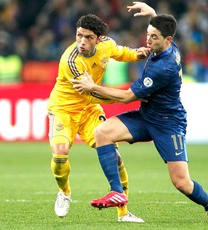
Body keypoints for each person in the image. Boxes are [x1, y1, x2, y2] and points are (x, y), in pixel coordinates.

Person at [71, 2, 208, 218]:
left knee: (181, 182)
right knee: (102, 132)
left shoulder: (165, 67)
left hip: (168, 123)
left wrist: (92, 88)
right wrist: (153, 13)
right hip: (147, 116)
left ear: (168, 40)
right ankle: (117, 192)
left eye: (154, 37)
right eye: (148, 34)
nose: (148, 40)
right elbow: (160, 27)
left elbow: (127, 97)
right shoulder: (166, 44)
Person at [47, 10, 150, 222]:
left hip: (89, 110)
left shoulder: (106, 45)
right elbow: (92, 92)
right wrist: (126, 97)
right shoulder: (71, 61)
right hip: (64, 110)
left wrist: (137, 53)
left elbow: (120, 52)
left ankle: (123, 213)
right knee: (59, 154)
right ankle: (65, 192)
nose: (82, 41)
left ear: (99, 39)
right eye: (79, 35)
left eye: (88, 37)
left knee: (115, 156)